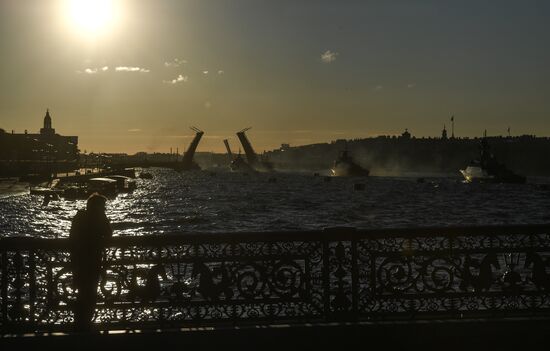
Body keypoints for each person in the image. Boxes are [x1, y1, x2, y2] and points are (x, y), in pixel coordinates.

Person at [69, 193, 112, 331]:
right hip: (92, 261)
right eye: (103, 208)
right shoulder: (97, 219)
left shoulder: (79, 218)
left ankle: (80, 324)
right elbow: (109, 233)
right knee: (90, 293)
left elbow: (72, 239)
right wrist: (104, 218)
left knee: (82, 292)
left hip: (79, 262)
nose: (104, 210)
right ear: (98, 208)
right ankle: (85, 324)